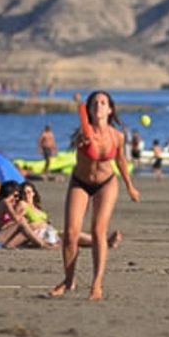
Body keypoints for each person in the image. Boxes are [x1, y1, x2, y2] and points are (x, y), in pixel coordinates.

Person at [49, 91, 140, 301]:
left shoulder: (117, 136)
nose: (98, 106)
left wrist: (130, 187)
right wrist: (81, 142)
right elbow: (81, 142)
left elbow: (121, 162)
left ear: (110, 109)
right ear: (89, 110)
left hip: (106, 184)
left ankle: (97, 283)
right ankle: (69, 280)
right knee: (71, 234)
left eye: (103, 103)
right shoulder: (84, 132)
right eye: (94, 103)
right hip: (80, 182)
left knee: (99, 230)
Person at [19, 181, 122, 249]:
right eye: (24, 193)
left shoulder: (37, 207)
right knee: (72, 236)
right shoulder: (23, 204)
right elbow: (17, 221)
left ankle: (103, 242)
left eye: (29, 192)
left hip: (48, 231)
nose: (27, 195)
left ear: (33, 193)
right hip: (38, 233)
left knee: (75, 239)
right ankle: (105, 242)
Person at [0, 181, 50, 249]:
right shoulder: (5, 202)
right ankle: (42, 244)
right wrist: (23, 214)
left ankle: (12, 245)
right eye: (16, 195)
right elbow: (16, 219)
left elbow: (9, 222)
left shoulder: (1, 203)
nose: (16, 198)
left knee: (27, 227)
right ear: (10, 193)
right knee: (23, 222)